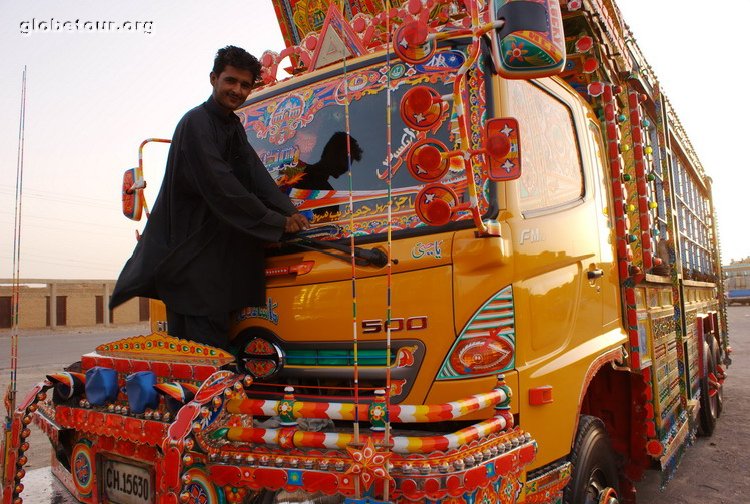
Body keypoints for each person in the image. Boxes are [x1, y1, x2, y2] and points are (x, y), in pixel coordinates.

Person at [109, 46, 309, 349]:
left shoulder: (231, 125)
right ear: (214, 78)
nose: (237, 90)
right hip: (193, 264)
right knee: (206, 360)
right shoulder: (196, 124)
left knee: (205, 358)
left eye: (245, 85)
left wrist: (289, 210)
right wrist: (276, 222)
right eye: (231, 81)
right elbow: (222, 186)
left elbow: (255, 174)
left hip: (213, 262)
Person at [291, 132, 362, 218]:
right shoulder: (294, 172)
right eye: (346, 159)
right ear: (333, 153)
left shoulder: (331, 196)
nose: (348, 166)